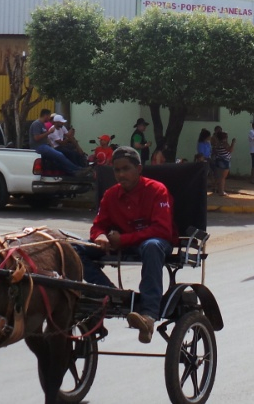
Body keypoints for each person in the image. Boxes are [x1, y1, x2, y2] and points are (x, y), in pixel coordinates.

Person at [73, 147, 176, 344]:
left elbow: (162, 230)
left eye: (125, 169)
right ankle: (109, 293)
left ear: (138, 169)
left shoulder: (157, 190)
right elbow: (98, 226)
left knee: (152, 246)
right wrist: (100, 236)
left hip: (152, 242)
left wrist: (124, 240)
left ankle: (148, 315)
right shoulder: (111, 195)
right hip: (122, 243)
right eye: (117, 170)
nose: (121, 174)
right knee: (74, 248)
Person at [28, 108, 90, 177]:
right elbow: (36, 138)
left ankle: (72, 172)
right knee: (60, 155)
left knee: (57, 160)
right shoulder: (37, 124)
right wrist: (49, 132)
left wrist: (50, 145)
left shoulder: (42, 124)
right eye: (49, 116)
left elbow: (46, 138)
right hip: (39, 147)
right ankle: (77, 169)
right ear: (45, 115)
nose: (49, 118)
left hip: (45, 146)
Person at [213, 132, 235, 196]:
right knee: (223, 177)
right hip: (225, 160)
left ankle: (217, 189)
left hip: (218, 160)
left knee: (219, 176)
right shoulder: (224, 143)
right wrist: (233, 143)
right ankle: (221, 192)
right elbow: (230, 150)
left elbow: (214, 151)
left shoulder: (217, 144)